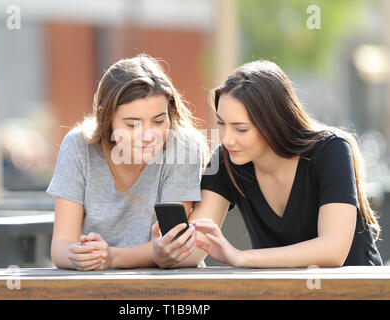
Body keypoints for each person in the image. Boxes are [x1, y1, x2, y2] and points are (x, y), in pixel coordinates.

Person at [155, 60, 382, 268]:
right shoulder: (228, 159)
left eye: (241, 129)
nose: (226, 139)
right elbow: (195, 249)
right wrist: (166, 253)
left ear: (273, 123)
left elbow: (333, 251)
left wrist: (241, 257)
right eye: (221, 124)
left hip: (356, 290)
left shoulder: (331, 150)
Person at [46, 54, 207, 270]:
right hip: (96, 285)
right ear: (105, 117)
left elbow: (172, 245)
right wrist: (78, 255)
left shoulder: (184, 146)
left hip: (168, 287)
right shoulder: (77, 146)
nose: (148, 135)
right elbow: (60, 246)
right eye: (132, 125)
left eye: (159, 121)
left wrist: (111, 257)